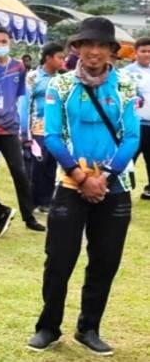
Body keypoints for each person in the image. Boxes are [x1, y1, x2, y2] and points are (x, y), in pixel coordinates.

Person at [27, 18, 139, 355]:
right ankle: (48, 327)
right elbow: (52, 136)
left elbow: (132, 136)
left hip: (113, 186)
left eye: (101, 45)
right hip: (71, 183)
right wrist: (81, 176)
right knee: (59, 259)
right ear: (76, 49)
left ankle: (89, 327)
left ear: (111, 52)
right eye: (86, 44)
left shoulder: (125, 86)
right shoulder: (59, 86)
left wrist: (104, 176)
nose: (93, 51)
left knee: (105, 261)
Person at [0, 26, 44, 235]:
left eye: (3, 41)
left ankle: (29, 216)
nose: (0, 45)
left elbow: (20, 97)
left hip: (9, 128)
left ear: (10, 43)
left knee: (19, 171)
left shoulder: (18, 66)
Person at [26, 42, 66, 212]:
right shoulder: (32, 77)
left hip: (56, 130)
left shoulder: (63, 79)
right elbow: (25, 104)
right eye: (60, 57)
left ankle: (46, 201)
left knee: (51, 166)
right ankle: (32, 201)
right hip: (37, 128)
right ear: (48, 58)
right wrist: (25, 130)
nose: (62, 61)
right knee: (37, 167)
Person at [123, 36, 150, 200]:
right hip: (133, 124)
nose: (147, 54)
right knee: (128, 157)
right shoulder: (127, 72)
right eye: (143, 51)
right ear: (135, 53)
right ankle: (121, 188)